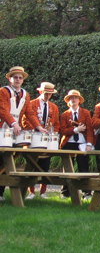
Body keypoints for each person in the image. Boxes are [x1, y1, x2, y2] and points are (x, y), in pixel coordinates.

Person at [0, 66, 47, 201]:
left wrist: (38, 127)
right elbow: (2, 110)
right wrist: (13, 124)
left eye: (20, 78)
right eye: (15, 77)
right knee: (1, 159)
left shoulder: (25, 94)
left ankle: (2, 192)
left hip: (16, 130)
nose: (18, 80)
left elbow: (29, 113)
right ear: (10, 79)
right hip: (3, 128)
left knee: (9, 160)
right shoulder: (3, 91)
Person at [24, 82, 60, 199]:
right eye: (46, 93)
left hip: (47, 140)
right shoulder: (31, 104)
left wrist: (52, 132)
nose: (48, 96)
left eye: (50, 94)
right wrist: (37, 128)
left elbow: (56, 124)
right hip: (33, 138)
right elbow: (25, 121)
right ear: (40, 92)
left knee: (45, 166)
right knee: (32, 165)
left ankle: (43, 191)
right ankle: (31, 192)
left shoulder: (54, 107)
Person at [59, 89, 93, 200]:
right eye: (71, 98)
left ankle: (87, 193)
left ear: (79, 100)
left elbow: (89, 130)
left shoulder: (86, 113)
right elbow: (63, 130)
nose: (73, 100)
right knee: (68, 168)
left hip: (82, 143)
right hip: (69, 143)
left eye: (76, 98)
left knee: (84, 167)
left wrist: (89, 143)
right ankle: (65, 192)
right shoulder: (65, 114)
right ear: (68, 101)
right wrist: (75, 130)